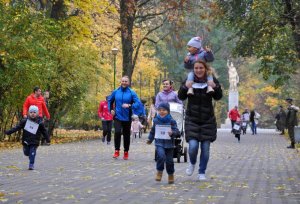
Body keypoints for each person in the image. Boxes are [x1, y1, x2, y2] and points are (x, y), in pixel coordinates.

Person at [178, 60, 223, 181]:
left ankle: (202, 172)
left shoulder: (211, 79)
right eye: (196, 68)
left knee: (205, 149)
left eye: (201, 68)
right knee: (192, 147)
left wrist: (215, 86)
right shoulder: (189, 80)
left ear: (205, 68)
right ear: (193, 69)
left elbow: (218, 97)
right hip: (192, 119)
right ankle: (192, 163)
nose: (198, 70)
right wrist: (184, 87)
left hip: (207, 120)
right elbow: (181, 96)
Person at [4, 105, 49, 170]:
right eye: (31, 112)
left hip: (35, 141)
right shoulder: (25, 121)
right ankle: (29, 154)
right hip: (26, 140)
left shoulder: (40, 123)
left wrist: (47, 139)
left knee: (32, 152)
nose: (32, 114)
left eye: (34, 112)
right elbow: (17, 127)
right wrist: (8, 132)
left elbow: (44, 131)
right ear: (28, 113)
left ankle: (31, 164)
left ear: (37, 113)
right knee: (27, 153)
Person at [108, 76, 141, 160]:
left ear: (128, 83)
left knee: (126, 135)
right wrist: (111, 109)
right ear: (120, 82)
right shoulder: (116, 91)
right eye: (123, 81)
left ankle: (126, 151)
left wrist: (129, 105)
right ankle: (116, 150)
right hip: (117, 116)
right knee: (117, 132)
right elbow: (110, 100)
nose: (124, 83)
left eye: (126, 81)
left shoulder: (131, 92)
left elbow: (138, 103)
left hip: (127, 117)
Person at [146, 102, 180, 184]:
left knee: (169, 161)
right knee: (160, 157)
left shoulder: (172, 121)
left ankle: (171, 174)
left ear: (168, 111)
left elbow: (177, 132)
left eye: (164, 110)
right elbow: (153, 131)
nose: (161, 111)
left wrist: (173, 133)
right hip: (159, 143)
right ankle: (159, 171)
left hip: (169, 144)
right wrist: (150, 139)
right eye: (160, 110)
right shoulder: (156, 120)